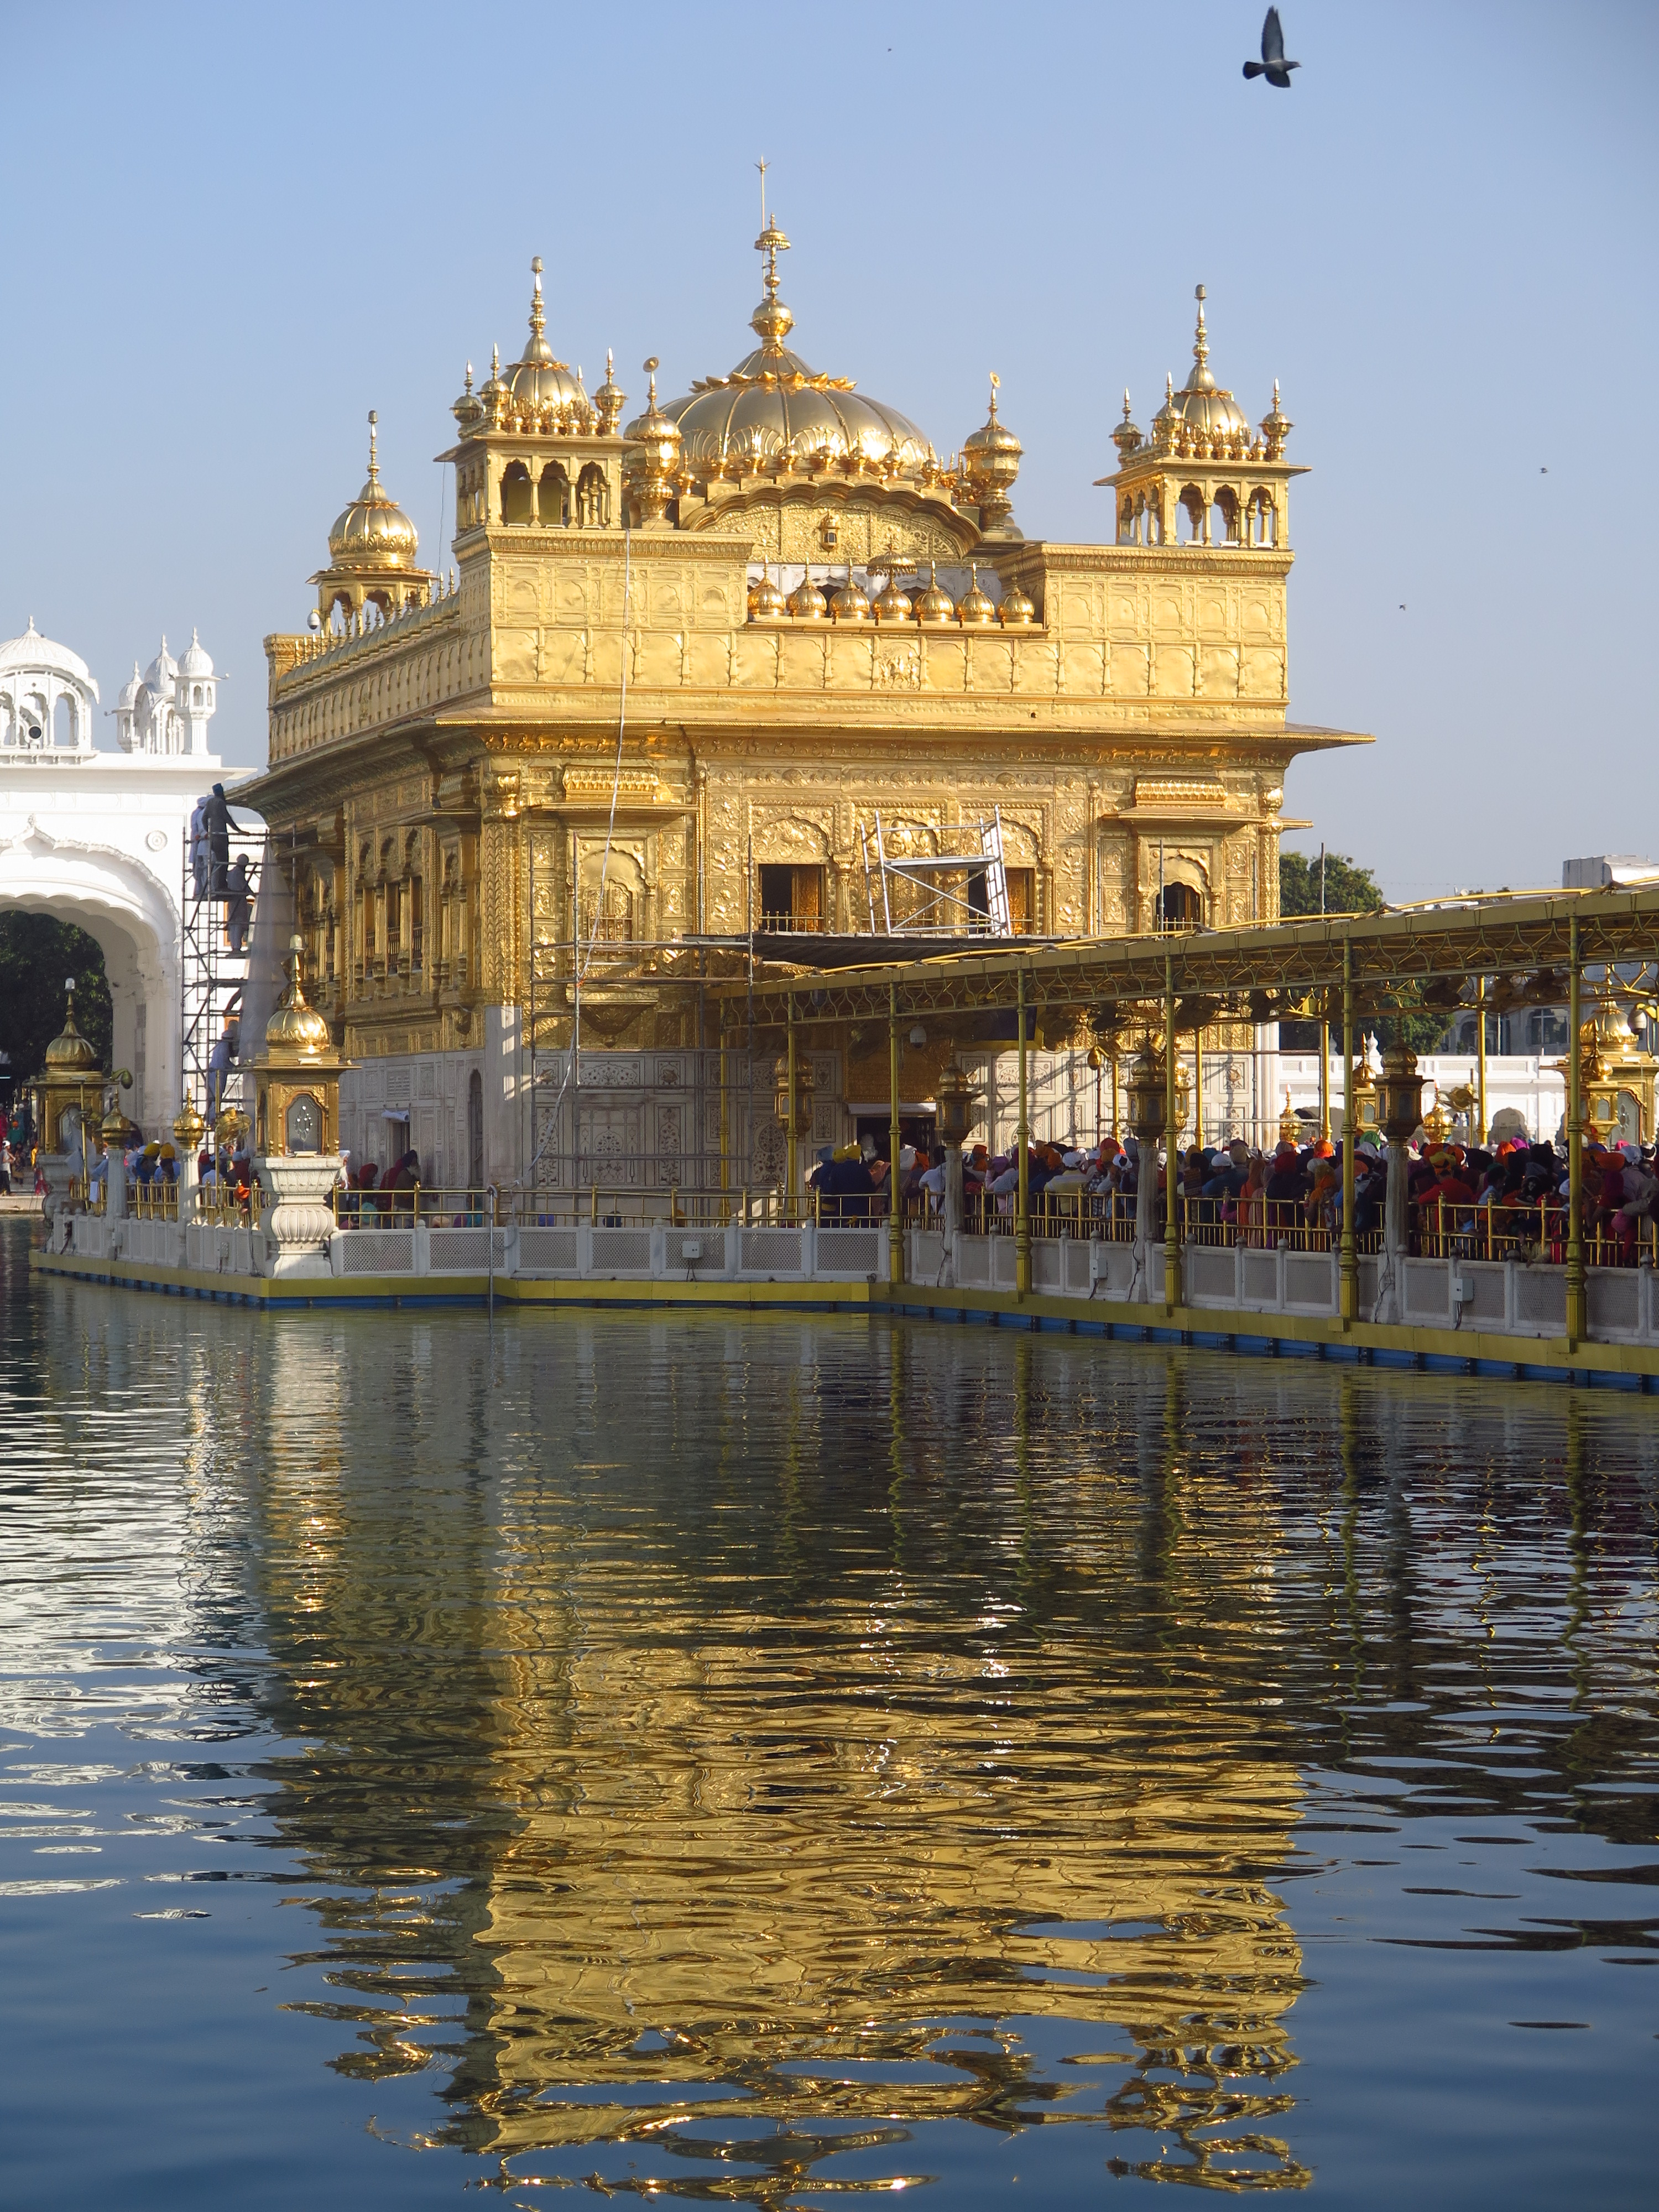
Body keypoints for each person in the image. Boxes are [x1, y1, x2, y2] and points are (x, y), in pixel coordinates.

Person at [223, 854, 254, 955]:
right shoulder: (237, 873)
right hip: (237, 901)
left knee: (236, 924)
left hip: (236, 901)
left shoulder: (234, 872)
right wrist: (253, 894)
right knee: (237, 924)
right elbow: (243, 886)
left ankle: (236, 946)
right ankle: (236, 947)